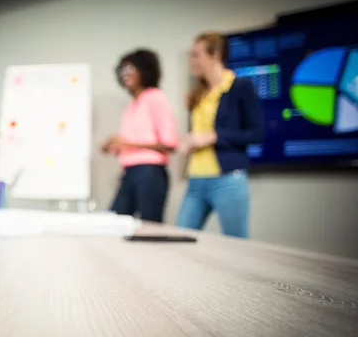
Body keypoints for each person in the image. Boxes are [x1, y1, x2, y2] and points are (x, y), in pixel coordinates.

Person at [176, 31, 264, 238]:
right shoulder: (199, 93)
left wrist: (214, 136)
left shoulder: (240, 87)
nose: (192, 61)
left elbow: (256, 133)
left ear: (215, 55)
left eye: (196, 55)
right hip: (196, 180)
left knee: (237, 245)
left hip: (227, 180)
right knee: (178, 238)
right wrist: (189, 142)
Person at [101, 49, 179, 223]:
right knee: (115, 222)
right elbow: (132, 143)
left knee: (150, 228)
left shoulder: (156, 98)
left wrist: (128, 144)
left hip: (150, 172)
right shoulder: (132, 105)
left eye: (130, 69)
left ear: (144, 69)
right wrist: (116, 146)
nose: (124, 74)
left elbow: (170, 143)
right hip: (129, 172)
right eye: (122, 70)